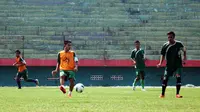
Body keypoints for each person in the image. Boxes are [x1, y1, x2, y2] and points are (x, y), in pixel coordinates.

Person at [157, 31, 186, 98]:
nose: (169, 38)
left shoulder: (179, 44)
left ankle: (177, 94)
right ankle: (162, 94)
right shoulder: (165, 45)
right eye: (168, 37)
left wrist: (184, 59)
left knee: (178, 77)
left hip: (177, 65)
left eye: (171, 37)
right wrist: (160, 63)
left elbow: (184, 50)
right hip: (169, 65)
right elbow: (162, 55)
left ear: (174, 37)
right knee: (165, 78)